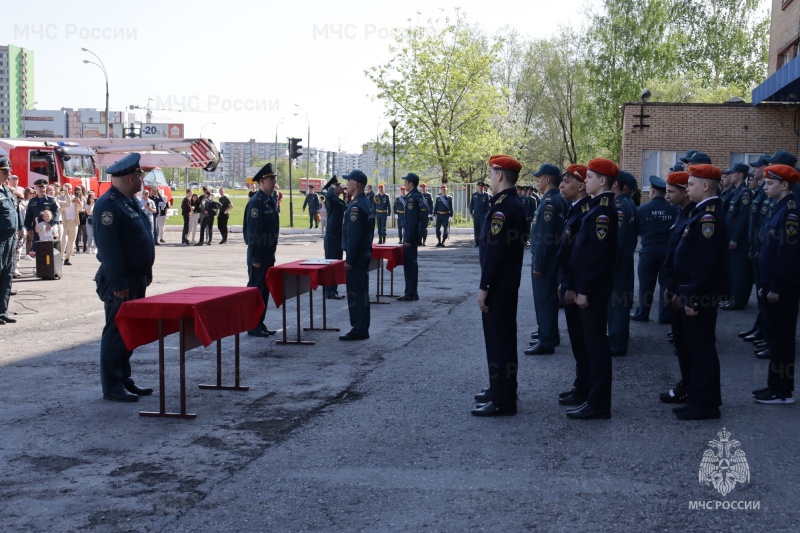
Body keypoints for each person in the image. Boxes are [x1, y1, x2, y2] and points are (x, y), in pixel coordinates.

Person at [92, 153, 155, 402]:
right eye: (140, 175)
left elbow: (140, 239)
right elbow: (109, 249)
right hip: (120, 281)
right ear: (131, 178)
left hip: (135, 277)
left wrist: (146, 270)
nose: (142, 179)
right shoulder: (108, 204)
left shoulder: (128, 201)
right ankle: (112, 384)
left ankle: (124, 378)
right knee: (117, 330)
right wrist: (118, 282)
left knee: (129, 330)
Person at [471, 155, 527, 417]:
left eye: (492, 173)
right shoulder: (510, 203)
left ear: (500, 175)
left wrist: (485, 286)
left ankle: (503, 400)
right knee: (503, 340)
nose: (490, 178)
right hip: (505, 283)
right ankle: (501, 389)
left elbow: (495, 251)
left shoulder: (504, 207)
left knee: (498, 342)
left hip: (499, 285)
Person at [671, 163, 727, 420]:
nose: (687, 187)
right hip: (691, 291)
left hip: (700, 294)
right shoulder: (701, 212)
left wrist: (692, 296)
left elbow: (704, 263)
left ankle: (706, 404)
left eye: (691, 184)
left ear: (705, 186)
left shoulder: (708, 217)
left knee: (701, 348)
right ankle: (700, 396)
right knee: (695, 347)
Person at [564, 158, 619, 420]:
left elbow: (596, 257)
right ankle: (594, 398)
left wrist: (583, 289)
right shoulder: (596, 208)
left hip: (594, 290)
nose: (586, 181)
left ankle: (599, 402)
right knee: (591, 344)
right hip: (588, 287)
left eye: (591, 177)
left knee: (596, 347)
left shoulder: (603, 212)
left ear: (603, 181)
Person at [752, 164, 800, 404]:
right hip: (772, 285)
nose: (765, 185)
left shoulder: (791, 212)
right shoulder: (779, 208)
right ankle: (774, 385)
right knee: (774, 337)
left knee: (782, 341)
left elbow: (787, 254)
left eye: (770, 183)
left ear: (784, 185)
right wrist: (764, 283)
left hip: (783, 289)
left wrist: (776, 287)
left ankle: (783, 391)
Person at [556, 164, 592, 407]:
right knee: (578, 341)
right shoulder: (574, 210)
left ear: (581, 186)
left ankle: (585, 387)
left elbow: (581, 258)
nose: (561, 185)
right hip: (570, 283)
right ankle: (581, 384)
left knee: (583, 341)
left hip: (577, 287)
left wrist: (572, 286)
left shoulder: (585, 214)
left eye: (567, 181)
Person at [658, 171, 695, 406]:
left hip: (688, 292)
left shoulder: (702, 217)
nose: (667, 196)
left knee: (695, 347)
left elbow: (700, 262)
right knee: (682, 344)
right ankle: (688, 385)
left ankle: (699, 394)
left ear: (684, 192)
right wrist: (670, 286)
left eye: (672, 192)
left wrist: (688, 294)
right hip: (677, 287)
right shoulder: (683, 213)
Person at [526, 163, 568, 355]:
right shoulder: (557, 199)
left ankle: (546, 340)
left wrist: (539, 264)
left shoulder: (550, 202)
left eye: (539, 177)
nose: (537, 181)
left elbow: (545, 237)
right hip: (552, 258)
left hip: (546, 259)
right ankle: (549, 333)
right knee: (548, 299)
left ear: (547, 179)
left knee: (544, 299)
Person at [631, 176, 678, 323]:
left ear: (651, 192)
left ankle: (642, 314)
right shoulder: (674, 208)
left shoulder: (643, 209)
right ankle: (664, 316)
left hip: (648, 250)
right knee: (665, 283)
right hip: (667, 250)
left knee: (646, 283)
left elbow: (636, 229)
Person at [243, 163, 279, 337]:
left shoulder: (268, 200)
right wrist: (256, 257)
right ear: (262, 181)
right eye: (271, 179)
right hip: (259, 255)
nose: (274, 182)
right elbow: (254, 232)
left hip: (268, 253)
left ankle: (259, 322)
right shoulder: (256, 203)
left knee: (264, 290)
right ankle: (252, 324)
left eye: (274, 179)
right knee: (256, 290)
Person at [738, 155, 772, 342]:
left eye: (757, 167)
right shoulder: (760, 191)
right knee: (761, 295)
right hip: (756, 248)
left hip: (764, 251)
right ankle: (760, 327)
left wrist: (759, 248)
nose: (754, 171)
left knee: (768, 295)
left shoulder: (770, 191)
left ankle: (767, 333)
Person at [339, 170, 375, 341]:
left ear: (356, 185)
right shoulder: (366, 203)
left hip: (357, 257)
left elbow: (354, 238)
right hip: (365, 254)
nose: (346, 185)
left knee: (355, 293)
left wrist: (350, 260)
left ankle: (358, 329)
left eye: (348, 182)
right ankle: (362, 327)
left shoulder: (355, 206)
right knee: (362, 293)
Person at [720, 162, 754, 310]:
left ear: (741, 175)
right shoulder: (736, 191)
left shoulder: (745, 193)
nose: (730, 175)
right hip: (730, 236)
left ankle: (738, 301)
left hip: (738, 240)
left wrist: (735, 238)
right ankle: (733, 298)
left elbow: (743, 218)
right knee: (732, 271)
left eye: (733, 173)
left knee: (738, 271)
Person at [0, 157, 23, 325]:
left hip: (10, 239)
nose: (8, 174)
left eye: (8, 171)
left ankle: (2, 310)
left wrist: (20, 227)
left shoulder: (8, 191)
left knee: (7, 275)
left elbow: (15, 211)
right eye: (4, 171)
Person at [398, 174, 425, 301]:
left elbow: (412, 221)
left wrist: (408, 239)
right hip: (414, 235)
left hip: (410, 236)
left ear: (411, 184)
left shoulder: (411, 199)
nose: (405, 185)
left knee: (409, 265)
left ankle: (410, 292)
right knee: (412, 264)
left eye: (406, 182)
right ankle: (412, 292)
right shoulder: (417, 196)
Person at [323, 176, 347, 299]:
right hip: (332, 237)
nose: (341, 187)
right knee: (331, 263)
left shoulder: (338, 200)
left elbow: (345, 207)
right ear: (332, 188)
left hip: (338, 236)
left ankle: (334, 290)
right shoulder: (331, 199)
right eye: (338, 186)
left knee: (337, 263)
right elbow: (328, 197)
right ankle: (329, 291)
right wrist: (332, 190)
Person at [59, 183, 81, 265]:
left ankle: (67, 258)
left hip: (74, 222)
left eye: (70, 188)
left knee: (72, 242)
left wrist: (79, 202)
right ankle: (60, 257)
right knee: (63, 240)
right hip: (65, 222)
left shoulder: (74, 198)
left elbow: (81, 209)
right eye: (66, 188)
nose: (68, 190)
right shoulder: (61, 198)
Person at [469, 181, 491, 246]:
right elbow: (471, 204)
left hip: (483, 214)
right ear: (477, 187)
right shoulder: (474, 194)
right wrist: (471, 212)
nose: (480, 188)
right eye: (479, 186)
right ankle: (477, 242)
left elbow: (488, 206)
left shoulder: (486, 195)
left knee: (483, 228)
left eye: (482, 186)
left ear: (483, 187)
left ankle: (483, 242)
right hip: (476, 214)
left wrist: (487, 214)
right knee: (476, 228)